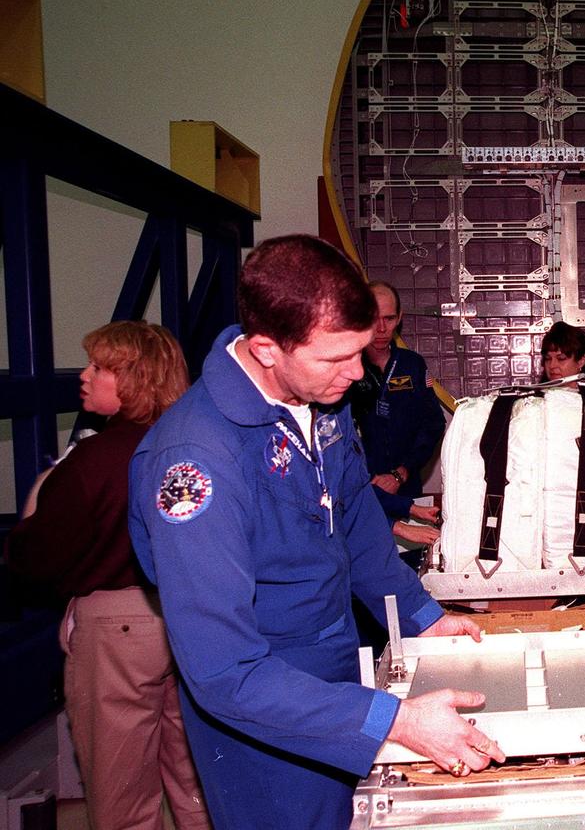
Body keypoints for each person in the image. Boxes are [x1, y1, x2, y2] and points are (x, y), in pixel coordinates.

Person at [128, 235, 504, 830]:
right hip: (263, 705)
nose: (356, 375)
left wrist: (420, 615)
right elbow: (223, 670)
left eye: (359, 352)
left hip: (335, 667)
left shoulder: (317, 403)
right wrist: (394, 722)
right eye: (336, 359)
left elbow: (354, 517)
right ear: (266, 349)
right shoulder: (196, 461)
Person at [6, 321, 210, 830]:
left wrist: (37, 498)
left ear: (133, 379)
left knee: (123, 799)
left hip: (116, 630)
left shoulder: (93, 461)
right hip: (190, 620)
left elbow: (36, 557)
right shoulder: (192, 447)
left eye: (99, 367)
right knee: (197, 787)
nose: (84, 375)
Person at [349, 280, 446, 542]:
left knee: (410, 564)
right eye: (373, 319)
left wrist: (401, 472)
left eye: (389, 319)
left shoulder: (411, 365)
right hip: (358, 491)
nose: (381, 329)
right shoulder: (345, 368)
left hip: (406, 488)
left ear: (399, 318)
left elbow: (433, 424)